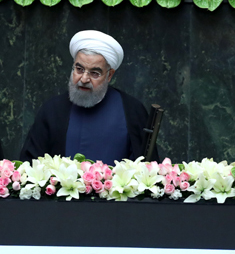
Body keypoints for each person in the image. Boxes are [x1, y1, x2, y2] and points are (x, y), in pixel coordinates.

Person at [19, 30, 159, 164]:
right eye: (79, 69)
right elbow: (30, 164)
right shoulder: (52, 110)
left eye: (94, 73)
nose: (84, 79)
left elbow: (147, 168)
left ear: (109, 75)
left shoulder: (132, 110)